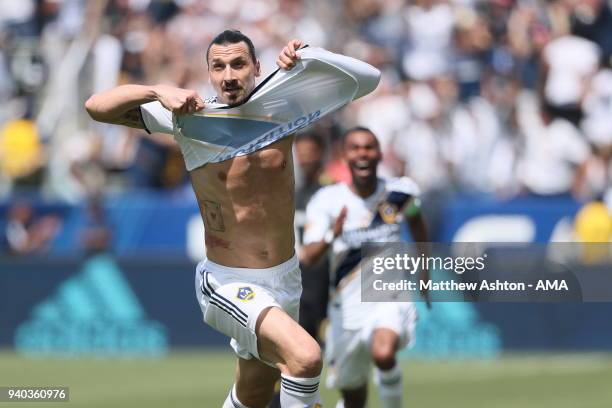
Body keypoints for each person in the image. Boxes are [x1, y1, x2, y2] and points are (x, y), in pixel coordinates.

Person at [85, 29, 378, 408]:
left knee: (253, 392)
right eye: (218, 66)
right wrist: (157, 90)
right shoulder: (190, 117)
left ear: (256, 66)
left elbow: (369, 79)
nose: (229, 76)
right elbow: (95, 106)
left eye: (238, 64)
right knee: (305, 358)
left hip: (285, 279)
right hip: (227, 281)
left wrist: (313, 56)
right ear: (208, 73)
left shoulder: (283, 102)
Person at [301, 127, 429, 408]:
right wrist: (331, 236)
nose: (363, 153)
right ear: (344, 156)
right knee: (353, 397)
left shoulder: (398, 192)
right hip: (346, 311)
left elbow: (416, 219)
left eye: (369, 148)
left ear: (379, 154)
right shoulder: (327, 200)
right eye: (355, 148)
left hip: (388, 298)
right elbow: (308, 257)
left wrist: (424, 267)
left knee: (384, 354)